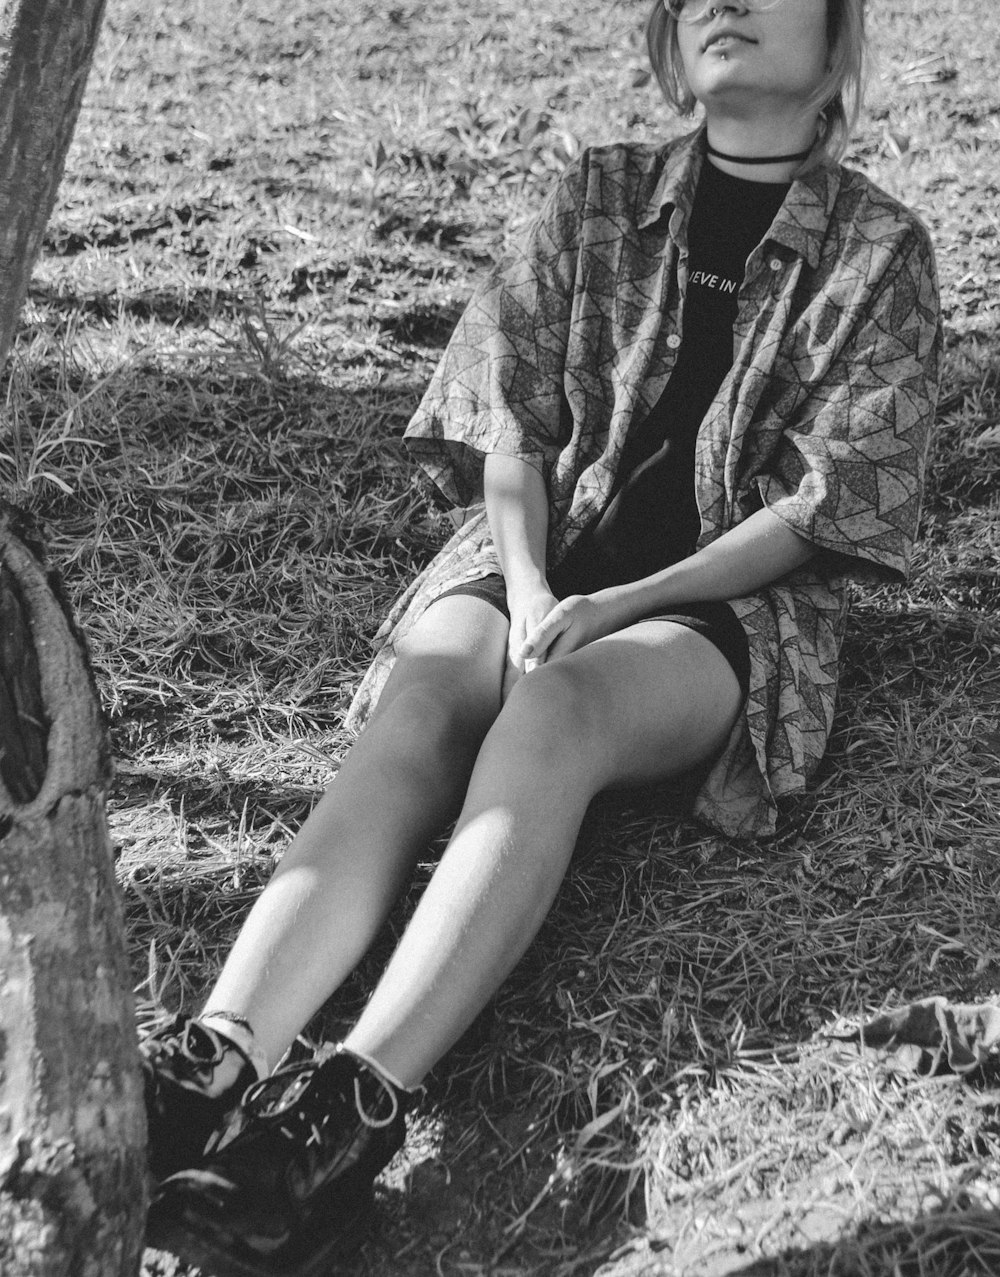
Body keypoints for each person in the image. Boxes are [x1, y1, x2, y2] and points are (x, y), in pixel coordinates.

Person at [143, 1, 941, 1272]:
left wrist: (617, 608)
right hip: (535, 560)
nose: (720, 4)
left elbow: (817, 508)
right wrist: (523, 586)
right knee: (426, 698)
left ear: (838, 43)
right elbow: (510, 424)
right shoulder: (596, 191)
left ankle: (341, 1115)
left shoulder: (881, 250)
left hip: (715, 612)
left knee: (552, 717)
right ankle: (209, 1057)